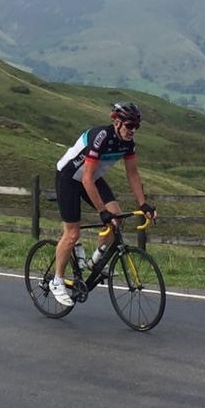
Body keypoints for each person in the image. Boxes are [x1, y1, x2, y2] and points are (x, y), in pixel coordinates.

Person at [50, 101, 156, 305]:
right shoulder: (101, 138)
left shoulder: (128, 144)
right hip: (69, 177)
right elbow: (86, 179)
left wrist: (143, 204)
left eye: (136, 127)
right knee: (72, 234)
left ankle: (94, 262)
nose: (133, 130)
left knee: (117, 218)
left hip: (92, 178)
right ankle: (57, 280)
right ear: (117, 123)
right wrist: (102, 211)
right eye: (129, 125)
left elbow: (132, 174)